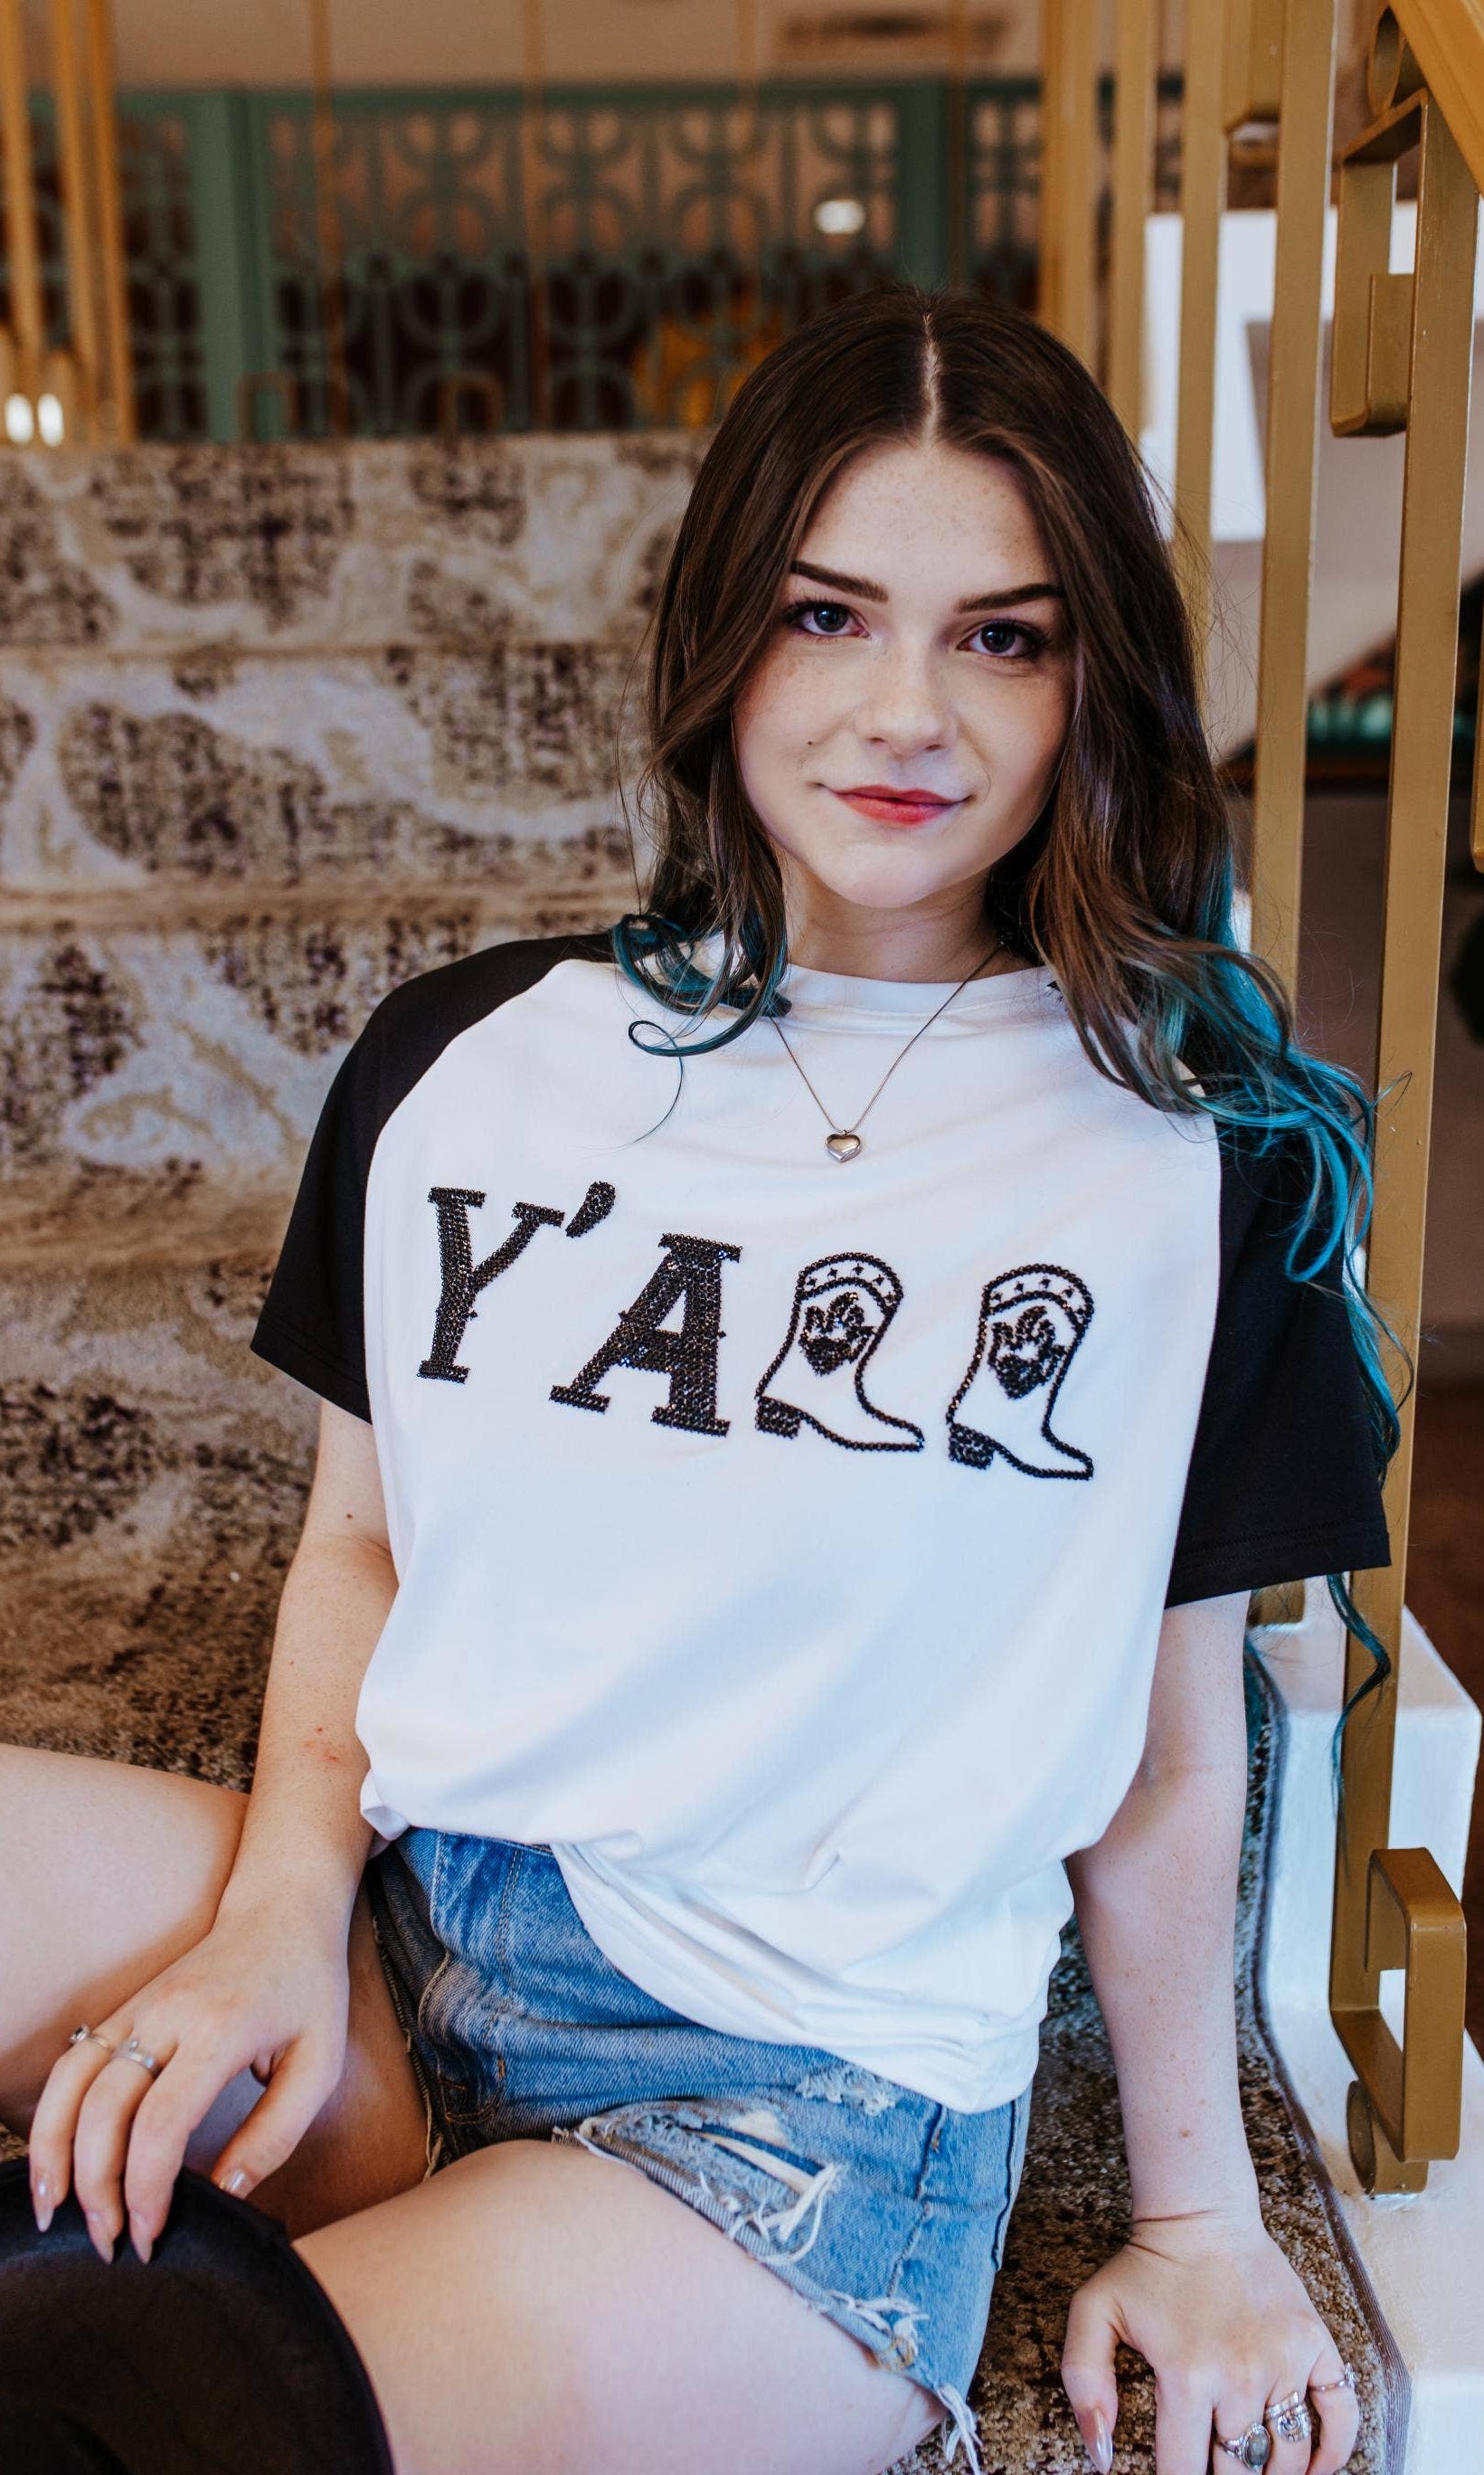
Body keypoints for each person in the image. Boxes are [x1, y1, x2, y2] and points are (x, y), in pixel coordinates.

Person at [0, 285, 1390, 2475]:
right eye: (828, 615)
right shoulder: (469, 1058)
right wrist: (278, 1907)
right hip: (406, 1932)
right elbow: (363, 1543)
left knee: (130, 2410)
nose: (902, 711)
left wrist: (1199, 2206)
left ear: (1087, 677)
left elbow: (1161, 1739)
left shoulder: (1202, 1163)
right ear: (723, 634)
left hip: (786, 2122)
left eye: (1002, 638)